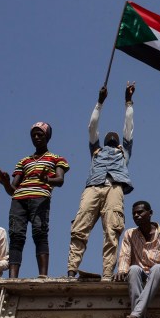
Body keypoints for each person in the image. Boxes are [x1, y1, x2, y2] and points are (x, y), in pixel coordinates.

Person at [68, 83, 135, 280]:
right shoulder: (96, 150)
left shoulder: (125, 151)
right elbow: (92, 127)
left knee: (112, 231)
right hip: (94, 187)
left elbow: (128, 126)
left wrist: (128, 102)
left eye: (115, 137)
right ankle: (72, 269)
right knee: (80, 226)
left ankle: (107, 273)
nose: (113, 136)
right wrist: (99, 103)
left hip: (114, 187)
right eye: (109, 136)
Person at [0, 122, 69, 278]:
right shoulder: (24, 161)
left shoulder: (56, 159)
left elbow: (60, 180)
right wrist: (6, 183)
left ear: (47, 136)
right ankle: (13, 277)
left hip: (40, 198)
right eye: (33, 135)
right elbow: (13, 190)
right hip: (19, 199)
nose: (36, 137)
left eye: (39, 134)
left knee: (40, 233)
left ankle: (42, 275)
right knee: (16, 236)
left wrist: (46, 178)